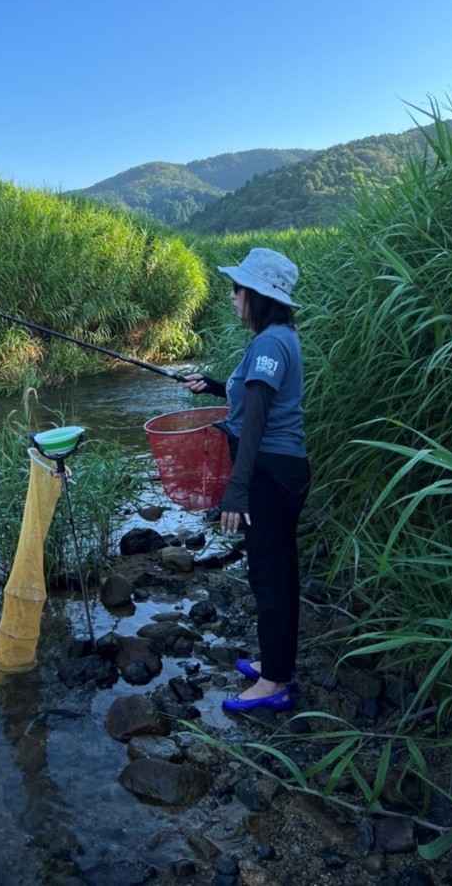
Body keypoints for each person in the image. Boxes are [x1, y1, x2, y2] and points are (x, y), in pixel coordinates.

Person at [184, 247, 311, 712]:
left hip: (269, 475)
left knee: (271, 577)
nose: (232, 296)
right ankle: (277, 664)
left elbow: (256, 417)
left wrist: (235, 491)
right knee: (274, 571)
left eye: (238, 289)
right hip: (279, 471)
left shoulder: (270, 343)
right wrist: (215, 385)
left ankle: (275, 682)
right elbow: (254, 394)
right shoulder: (276, 339)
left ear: (258, 295)